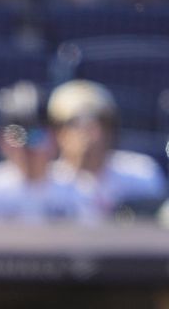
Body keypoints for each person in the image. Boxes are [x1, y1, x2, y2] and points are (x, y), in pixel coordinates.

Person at [0, 80, 100, 227]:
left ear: (54, 137)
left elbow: (89, 244)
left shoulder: (79, 189)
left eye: (36, 135)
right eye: (16, 136)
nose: (26, 148)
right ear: (1, 141)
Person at [48, 79, 168, 217]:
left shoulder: (141, 174)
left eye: (101, 122)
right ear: (58, 132)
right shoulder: (44, 182)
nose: (91, 132)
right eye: (76, 123)